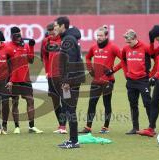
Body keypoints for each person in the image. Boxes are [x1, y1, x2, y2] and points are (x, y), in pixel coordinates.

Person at [79, 25, 122, 134]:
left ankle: (105, 127)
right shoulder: (93, 47)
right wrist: (90, 69)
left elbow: (124, 60)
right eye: (97, 35)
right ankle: (88, 127)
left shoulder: (113, 47)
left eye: (101, 36)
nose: (99, 37)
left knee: (106, 103)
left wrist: (113, 70)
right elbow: (88, 57)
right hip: (96, 81)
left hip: (108, 80)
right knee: (91, 103)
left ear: (106, 36)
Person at [54, 16, 85, 149]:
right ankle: (72, 139)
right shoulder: (68, 38)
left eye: (56, 26)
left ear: (62, 26)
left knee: (70, 110)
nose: (54, 28)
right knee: (68, 109)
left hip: (70, 82)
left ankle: (74, 141)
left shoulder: (68, 39)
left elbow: (71, 62)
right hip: (69, 81)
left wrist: (66, 81)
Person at [7, 26, 43, 134]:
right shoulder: (8, 47)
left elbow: (31, 60)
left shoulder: (25, 46)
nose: (19, 37)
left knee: (30, 100)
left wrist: (31, 47)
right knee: (15, 102)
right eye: (16, 35)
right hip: (14, 79)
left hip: (26, 79)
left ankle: (31, 126)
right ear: (12, 36)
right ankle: (17, 127)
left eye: (20, 34)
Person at [121, 29, 153, 135]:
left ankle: (151, 127)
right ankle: (135, 128)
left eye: (129, 41)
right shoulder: (125, 49)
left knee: (148, 103)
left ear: (135, 38)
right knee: (133, 104)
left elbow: (157, 59)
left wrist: (152, 74)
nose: (128, 44)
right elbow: (123, 61)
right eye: (126, 42)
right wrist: (126, 73)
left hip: (143, 80)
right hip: (131, 81)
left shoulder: (145, 47)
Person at [41, 23, 67, 134]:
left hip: (63, 77)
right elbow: (45, 57)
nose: (52, 32)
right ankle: (61, 125)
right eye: (51, 30)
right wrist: (47, 71)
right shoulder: (46, 41)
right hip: (51, 77)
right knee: (55, 101)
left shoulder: (65, 40)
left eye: (55, 30)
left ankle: (65, 126)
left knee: (66, 100)